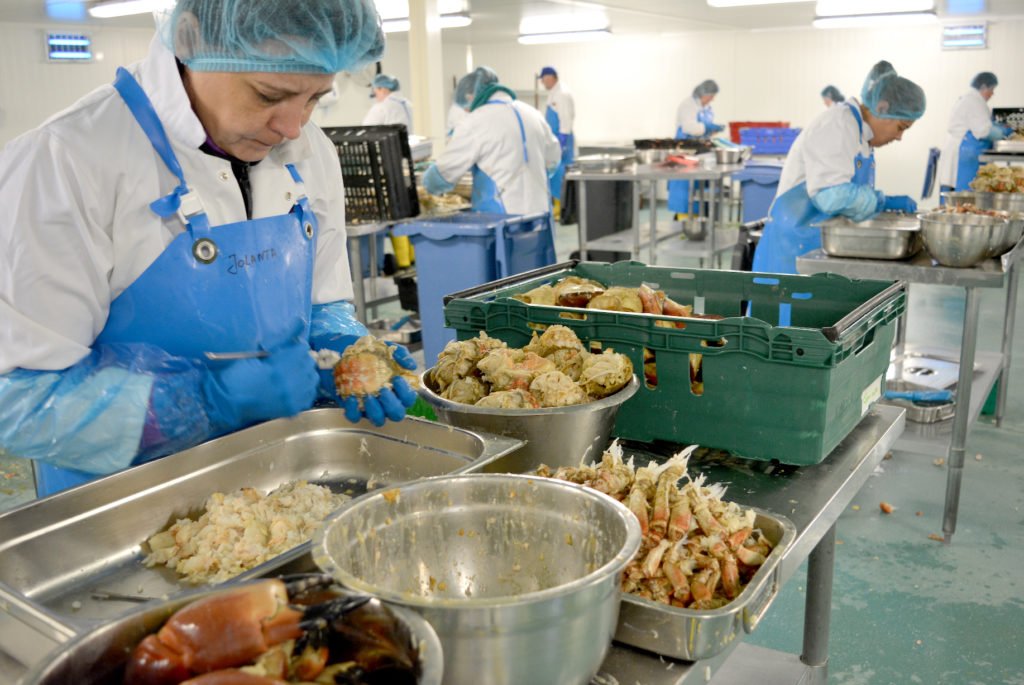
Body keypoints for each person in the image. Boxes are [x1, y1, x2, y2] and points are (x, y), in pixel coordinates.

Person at [0, 0, 419, 497]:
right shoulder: (65, 163)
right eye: (270, 94)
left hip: (274, 492)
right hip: (120, 512)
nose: (293, 126)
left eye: (314, 99)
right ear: (195, 41)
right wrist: (202, 401)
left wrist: (339, 345)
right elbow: (20, 404)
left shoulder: (310, 155)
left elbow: (322, 300)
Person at [752, 61, 925, 274]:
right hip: (793, 249)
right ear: (882, 109)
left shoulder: (861, 134)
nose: (899, 137)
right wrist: (881, 201)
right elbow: (830, 196)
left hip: (817, 246)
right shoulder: (838, 125)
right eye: (900, 128)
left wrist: (880, 204)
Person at [422, 67, 561, 215]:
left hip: (502, 215)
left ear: (470, 97)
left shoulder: (475, 121)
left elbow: (443, 174)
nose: (467, 111)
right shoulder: (534, 114)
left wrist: (427, 184)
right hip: (540, 212)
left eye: (465, 106)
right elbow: (553, 161)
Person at [939, 72, 1011, 193]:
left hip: (962, 153)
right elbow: (984, 131)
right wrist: (1004, 132)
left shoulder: (969, 99)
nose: (992, 93)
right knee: (963, 198)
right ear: (983, 87)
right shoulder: (974, 101)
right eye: (991, 89)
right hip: (964, 155)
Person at [668, 79, 724, 221]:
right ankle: (683, 217)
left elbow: (704, 129)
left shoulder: (707, 108)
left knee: (699, 186)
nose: (712, 99)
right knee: (684, 186)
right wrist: (707, 128)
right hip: (685, 150)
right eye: (710, 96)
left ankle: (699, 217)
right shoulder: (688, 105)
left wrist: (712, 130)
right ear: (702, 93)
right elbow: (689, 128)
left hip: (701, 150)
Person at [538, 66, 576, 217]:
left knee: (560, 172)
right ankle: (557, 205)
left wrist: (562, 139)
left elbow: (566, 118)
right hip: (554, 138)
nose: (542, 82)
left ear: (551, 77)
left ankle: (562, 207)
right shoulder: (553, 93)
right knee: (554, 171)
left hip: (562, 139)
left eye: (543, 79)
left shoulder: (562, 94)